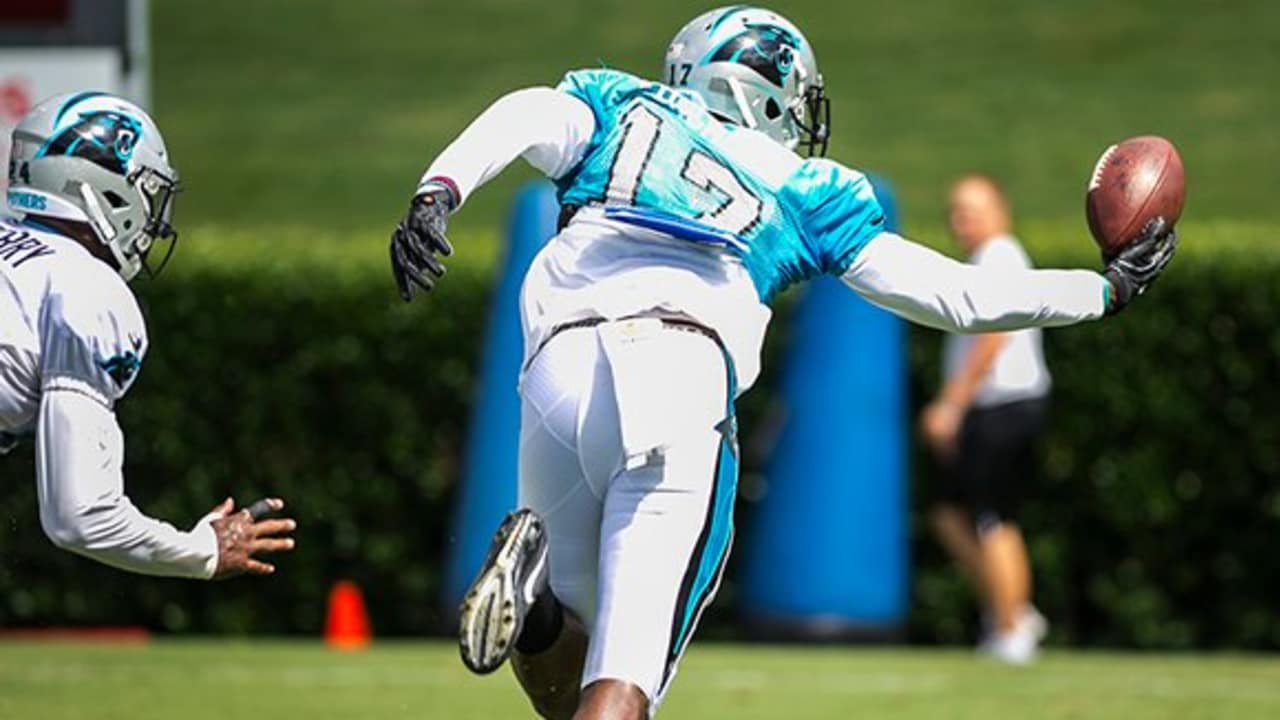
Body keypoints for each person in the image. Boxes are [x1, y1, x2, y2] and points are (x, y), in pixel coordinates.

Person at [388, 6, 1176, 718]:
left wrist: (438, 191)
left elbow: (528, 112)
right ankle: (542, 614)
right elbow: (958, 297)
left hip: (555, 372)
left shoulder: (620, 103)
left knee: (566, 681)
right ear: (771, 94)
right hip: (675, 376)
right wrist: (1101, 290)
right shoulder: (806, 186)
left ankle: (537, 612)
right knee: (620, 682)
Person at [2, 91, 296, 580]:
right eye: (144, 190)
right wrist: (201, 550)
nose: (152, 217)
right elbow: (79, 517)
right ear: (104, 189)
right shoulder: (87, 288)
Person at [921, 175, 1051, 664]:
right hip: (986, 408)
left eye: (973, 209)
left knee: (994, 518)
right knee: (950, 514)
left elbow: (995, 336)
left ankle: (1013, 628)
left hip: (1005, 405)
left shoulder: (1000, 257)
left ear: (1001, 211)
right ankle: (1009, 607)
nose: (962, 220)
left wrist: (952, 403)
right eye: (956, 210)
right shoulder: (981, 260)